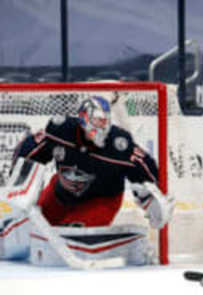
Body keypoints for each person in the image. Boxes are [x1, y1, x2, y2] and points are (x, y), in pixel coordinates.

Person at [0, 95, 175, 266]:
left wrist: (153, 193)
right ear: (84, 118)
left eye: (105, 120)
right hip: (58, 192)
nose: (103, 125)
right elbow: (29, 150)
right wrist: (22, 179)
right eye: (98, 120)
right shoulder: (62, 131)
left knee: (74, 234)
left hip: (101, 202)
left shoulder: (119, 144)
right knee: (25, 226)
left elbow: (147, 169)